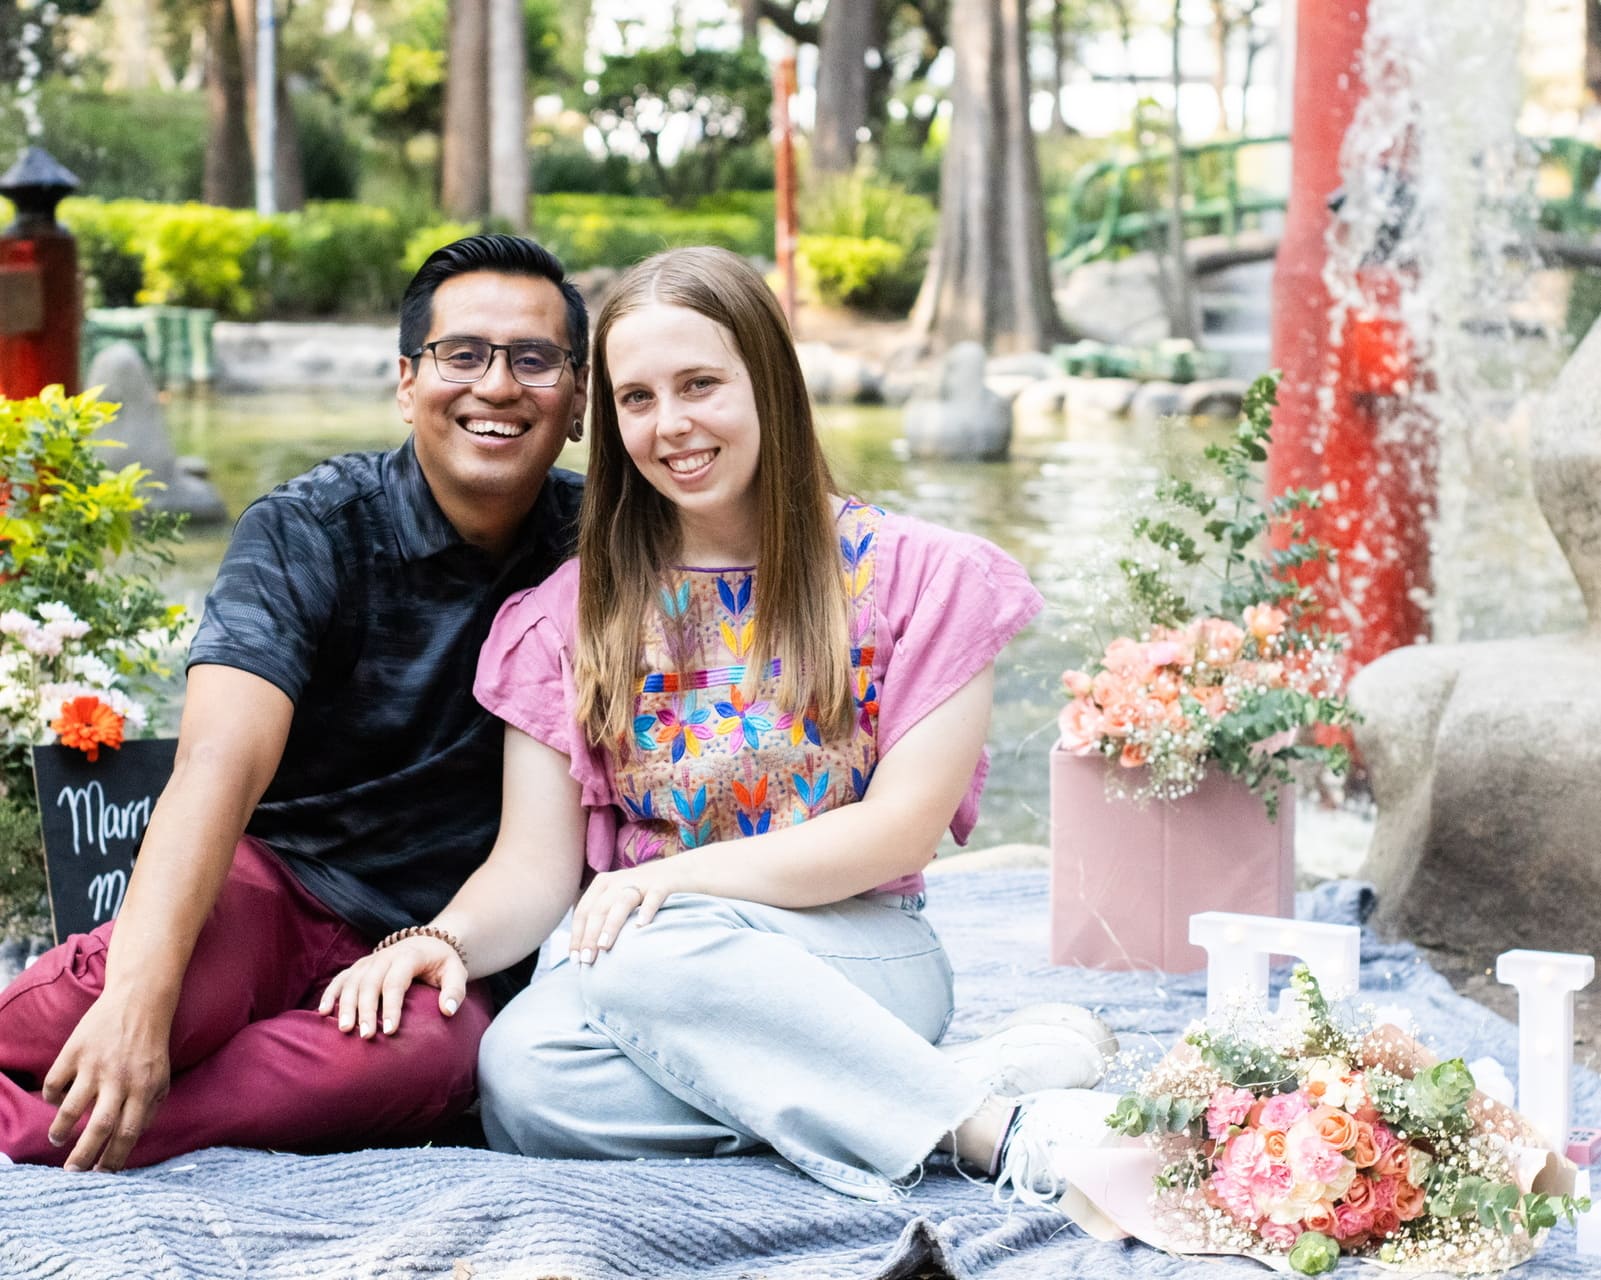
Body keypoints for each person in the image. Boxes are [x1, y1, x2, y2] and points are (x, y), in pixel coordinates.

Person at [321, 245, 1115, 1203]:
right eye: (638, 398)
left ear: (769, 382)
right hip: (653, 966)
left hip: (855, 947)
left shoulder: (921, 578)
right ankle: (950, 1095)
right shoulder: (567, 618)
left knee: (637, 948)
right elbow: (534, 869)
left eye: (700, 384)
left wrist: (669, 882)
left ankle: (992, 1135)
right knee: (523, 1076)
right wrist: (440, 941)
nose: (672, 425)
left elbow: (899, 831)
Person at [0, 233, 589, 1172]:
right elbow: (217, 762)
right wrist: (139, 1002)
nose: (497, 386)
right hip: (277, 884)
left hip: (441, 936)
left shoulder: (605, 550)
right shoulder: (311, 528)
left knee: (433, 1062)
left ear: (578, 398)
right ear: (407, 382)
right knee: (130, 999)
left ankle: (43, 1132)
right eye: (462, 355)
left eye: (533, 359)